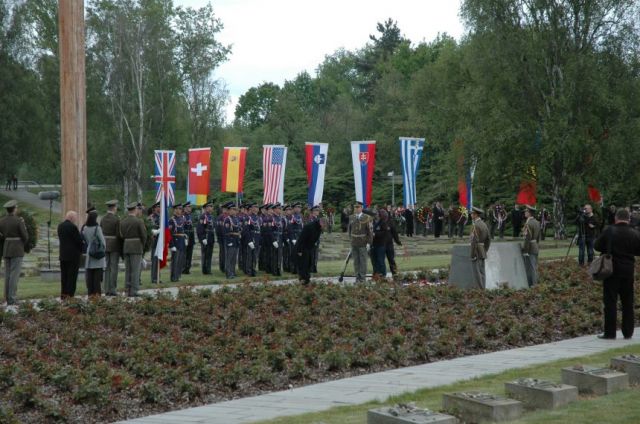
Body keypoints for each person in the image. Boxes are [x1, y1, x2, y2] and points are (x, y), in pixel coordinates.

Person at [594, 208, 640, 340]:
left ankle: (610, 333)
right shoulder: (634, 232)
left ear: (616, 218)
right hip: (628, 270)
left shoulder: (610, 231)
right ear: (629, 219)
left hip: (611, 269)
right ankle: (628, 332)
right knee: (628, 302)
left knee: (610, 302)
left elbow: (597, 245)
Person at [0, 200, 29, 304]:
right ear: (14, 209)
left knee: (7, 274)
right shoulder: (18, 221)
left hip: (6, 249)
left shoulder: (1, 221)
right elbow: (25, 236)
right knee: (14, 275)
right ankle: (12, 298)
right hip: (17, 249)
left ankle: (7, 297)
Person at [119, 202, 147, 297]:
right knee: (135, 270)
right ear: (135, 209)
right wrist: (142, 245)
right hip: (136, 247)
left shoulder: (123, 221)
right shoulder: (139, 221)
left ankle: (127, 290)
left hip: (126, 246)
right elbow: (144, 235)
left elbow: (121, 235)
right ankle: (134, 290)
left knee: (128, 270)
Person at [57, 210, 83, 299]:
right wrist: (82, 249)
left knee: (64, 277)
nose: (76, 219)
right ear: (71, 217)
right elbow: (79, 241)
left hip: (63, 255)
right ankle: (70, 295)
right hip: (73, 256)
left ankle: (63, 295)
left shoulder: (60, 226)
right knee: (72, 277)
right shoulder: (73, 227)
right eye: (75, 217)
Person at [82, 207, 106, 297]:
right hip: (98, 254)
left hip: (90, 252)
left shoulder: (85, 228)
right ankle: (97, 295)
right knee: (97, 278)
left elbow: (87, 241)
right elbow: (103, 242)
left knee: (90, 276)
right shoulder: (97, 228)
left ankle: (90, 294)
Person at [296, 218, 327, 284]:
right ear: (321, 223)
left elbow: (315, 238)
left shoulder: (318, 228)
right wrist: (299, 250)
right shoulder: (309, 226)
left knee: (309, 263)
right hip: (303, 247)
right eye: (324, 226)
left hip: (309, 247)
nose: (324, 228)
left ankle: (307, 278)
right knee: (303, 263)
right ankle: (303, 279)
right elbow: (301, 239)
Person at [348, 201, 373, 283]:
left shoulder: (367, 217)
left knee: (363, 261)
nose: (356, 208)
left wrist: (369, 243)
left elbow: (370, 231)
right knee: (356, 261)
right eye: (355, 207)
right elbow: (349, 230)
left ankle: (362, 279)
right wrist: (350, 240)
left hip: (363, 242)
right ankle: (357, 277)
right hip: (354, 242)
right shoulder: (351, 217)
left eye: (358, 207)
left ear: (362, 208)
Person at [101, 199, 121, 295]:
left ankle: (106, 289)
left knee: (107, 267)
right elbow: (119, 234)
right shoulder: (116, 219)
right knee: (114, 268)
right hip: (114, 245)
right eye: (116, 207)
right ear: (114, 208)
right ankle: (112, 289)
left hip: (105, 244)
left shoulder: (103, 219)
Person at [469, 206, 490, 289]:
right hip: (482, 250)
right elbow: (488, 239)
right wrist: (485, 249)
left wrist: (472, 254)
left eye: (472, 214)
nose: (471, 215)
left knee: (477, 273)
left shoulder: (475, 226)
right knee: (482, 272)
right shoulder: (484, 224)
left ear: (475, 215)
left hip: (476, 251)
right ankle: (483, 288)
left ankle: (480, 290)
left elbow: (473, 241)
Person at [521, 205, 541, 287]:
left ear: (529, 213)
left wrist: (525, 251)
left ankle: (533, 285)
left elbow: (527, 238)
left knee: (531, 268)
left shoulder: (528, 223)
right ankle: (534, 284)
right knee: (534, 267)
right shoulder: (537, 222)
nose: (525, 212)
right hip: (535, 246)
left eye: (526, 211)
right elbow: (538, 237)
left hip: (530, 248)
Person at [169, 203, 186, 282]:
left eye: (181, 208)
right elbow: (169, 233)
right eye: (178, 208)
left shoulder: (182, 218)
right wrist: (171, 245)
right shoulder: (171, 220)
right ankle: (174, 277)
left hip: (181, 241)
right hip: (175, 241)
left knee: (180, 260)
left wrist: (185, 238)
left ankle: (178, 275)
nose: (180, 210)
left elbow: (183, 230)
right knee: (175, 260)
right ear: (175, 210)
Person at [223, 203, 241, 279]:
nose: (234, 211)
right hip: (230, 240)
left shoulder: (236, 219)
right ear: (229, 210)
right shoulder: (227, 219)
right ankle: (228, 273)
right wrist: (235, 234)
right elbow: (226, 232)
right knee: (229, 258)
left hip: (236, 241)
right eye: (233, 209)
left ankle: (233, 272)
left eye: (235, 209)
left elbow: (238, 229)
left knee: (234, 258)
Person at [197, 201, 215, 275]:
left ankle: (208, 269)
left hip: (211, 236)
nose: (211, 208)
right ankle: (204, 270)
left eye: (211, 206)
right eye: (210, 206)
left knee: (209, 254)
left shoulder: (211, 216)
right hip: (206, 236)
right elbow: (200, 228)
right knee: (205, 254)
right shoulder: (203, 216)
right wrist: (203, 238)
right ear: (206, 208)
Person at [371, 209, 390, 277]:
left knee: (380, 260)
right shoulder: (374, 223)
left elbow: (385, 233)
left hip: (381, 245)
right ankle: (376, 273)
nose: (376, 215)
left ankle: (383, 274)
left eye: (377, 214)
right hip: (373, 244)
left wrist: (375, 234)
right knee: (374, 261)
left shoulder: (383, 223)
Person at [148, 202, 161, 284]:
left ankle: (158, 276)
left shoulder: (161, 217)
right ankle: (154, 278)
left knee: (159, 259)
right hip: (155, 241)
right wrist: (156, 231)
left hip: (160, 241)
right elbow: (150, 229)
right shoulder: (151, 218)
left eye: (160, 207)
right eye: (158, 207)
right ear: (154, 208)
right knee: (155, 259)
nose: (159, 208)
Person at [182, 202, 195, 275]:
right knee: (184, 253)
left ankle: (187, 268)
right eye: (188, 207)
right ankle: (183, 268)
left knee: (190, 253)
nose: (189, 208)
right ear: (184, 208)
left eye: (190, 207)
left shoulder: (190, 216)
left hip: (191, 236)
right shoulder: (182, 216)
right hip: (185, 236)